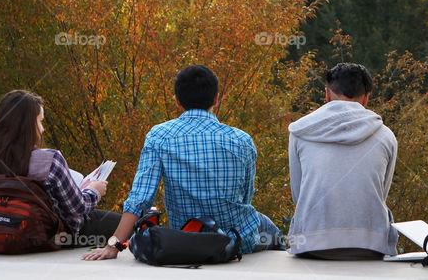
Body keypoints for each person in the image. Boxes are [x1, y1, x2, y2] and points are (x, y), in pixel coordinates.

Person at [82, 65, 283, 261]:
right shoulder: (242, 140)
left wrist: (113, 246)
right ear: (216, 98)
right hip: (237, 241)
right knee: (270, 230)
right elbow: (246, 197)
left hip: (189, 238)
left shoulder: (159, 136)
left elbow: (140, 199)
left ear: (178, 101)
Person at [0, 90, 120, 246]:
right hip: (50, 235)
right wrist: (94, 190)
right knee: (126, 225)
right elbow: (78, 208)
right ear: (28, 125)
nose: (43, 129)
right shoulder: (50, 160)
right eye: (40, 121)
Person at [286, 62, 398, 259]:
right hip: (370, 245)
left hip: (310, 244)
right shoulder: (386, 135)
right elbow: (382, 194)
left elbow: (298, 195)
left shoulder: (300, 131)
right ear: (366, 98)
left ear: (327, 94)